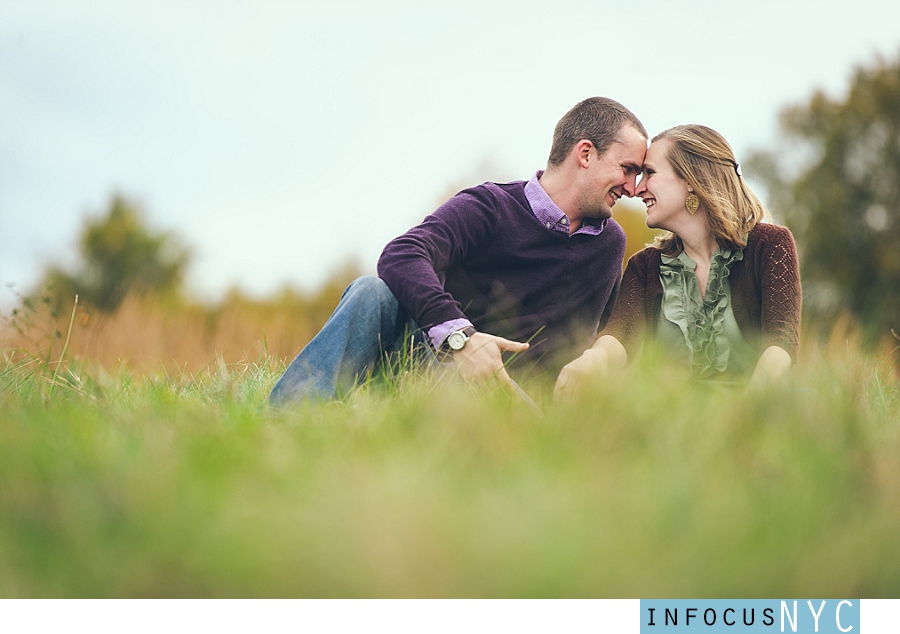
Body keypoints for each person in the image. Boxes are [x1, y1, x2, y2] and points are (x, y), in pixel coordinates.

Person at [269, 97, 648, 406]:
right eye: (627, 169)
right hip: (436, 363)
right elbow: (403, 254)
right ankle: (284, 422)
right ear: (585, 154)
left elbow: (600, 333)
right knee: (373, 292)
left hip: (512, 400)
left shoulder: (609, 244)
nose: (633, 188)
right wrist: (461, 339)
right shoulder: (490, 206)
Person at [555, 124, 801, 396]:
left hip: (758, 410)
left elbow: (780, 343)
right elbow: (619, 337)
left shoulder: (769, 246)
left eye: (649, 173)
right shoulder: (645, 266)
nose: (638, 190)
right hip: (676, 424)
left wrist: (747, 411)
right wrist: (592, 361)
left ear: (690, 180)